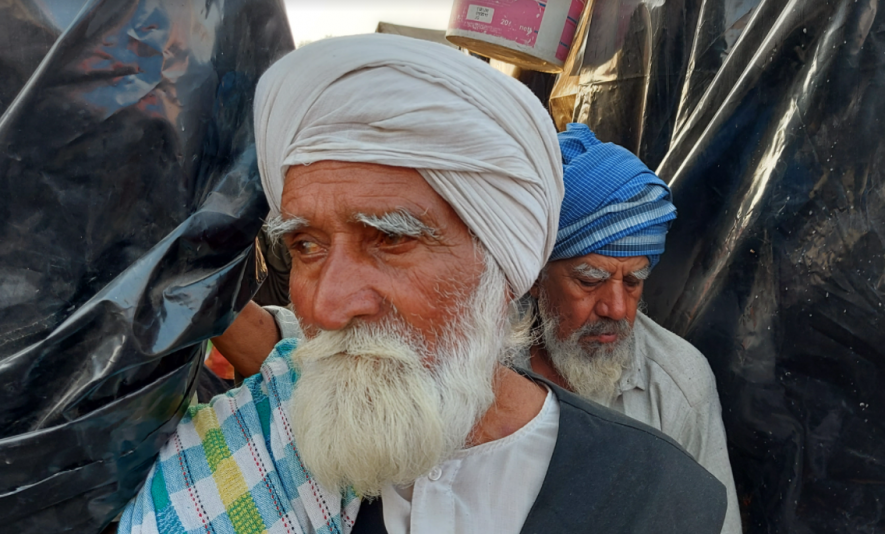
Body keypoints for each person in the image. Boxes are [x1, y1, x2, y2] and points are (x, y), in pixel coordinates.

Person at [119, 34, 726, 533]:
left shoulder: (663, 499)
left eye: (391, 240)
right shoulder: (259, 438)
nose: (327, 306)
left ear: (502, 267)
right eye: (306, 245)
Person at [525, 122, 741, 533]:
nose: (617, 308)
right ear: (534, 277)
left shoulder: (679, 383)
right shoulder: (481, 360)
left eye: (633, 282)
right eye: (588, 282)